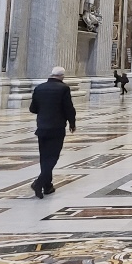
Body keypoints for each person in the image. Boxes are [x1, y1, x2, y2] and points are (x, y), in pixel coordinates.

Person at [29, 66, 76, 199]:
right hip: (57, 128)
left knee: (44, 157)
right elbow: (68, 108)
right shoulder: (64, 88)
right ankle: (39, 183)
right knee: (53, 157)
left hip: (42, 128)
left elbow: (33, 109)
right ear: (62, 76)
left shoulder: (39, 88)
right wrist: (72, 123)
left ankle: (47, 186)